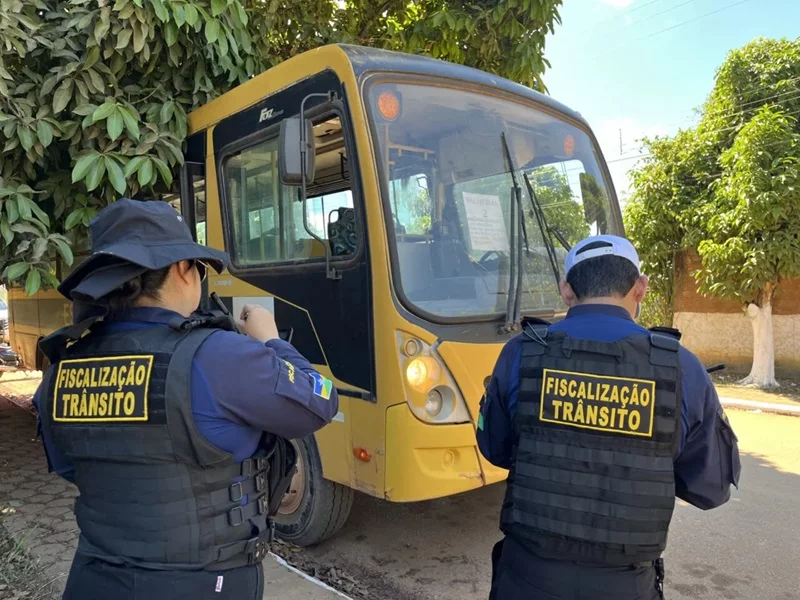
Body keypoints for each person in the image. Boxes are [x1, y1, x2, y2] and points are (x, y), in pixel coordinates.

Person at [33, 199, 339, 600]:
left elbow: (72, 465)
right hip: (201, 582)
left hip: (94, 578)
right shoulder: (219, 355)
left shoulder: (63, 366)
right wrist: (271, 340)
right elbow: (320, 401)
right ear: (182, 269)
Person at [477, 234, 741, 600]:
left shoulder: (521, 353)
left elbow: (495, 449)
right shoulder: (681, 366)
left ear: (566, 290)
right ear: (641, 288)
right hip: (626, 585)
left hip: (525, 579)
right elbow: (709, 489)